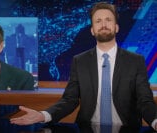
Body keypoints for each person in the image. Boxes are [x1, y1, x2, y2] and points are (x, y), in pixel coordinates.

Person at [10, 2, 157, 131]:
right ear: (92, 30)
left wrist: (156, 122)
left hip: (127, 129)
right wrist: (44, 115)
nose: (104, 24)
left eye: (108, 20)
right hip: (87, 128)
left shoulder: (135, 61)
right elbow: (69, 100)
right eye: (98, 21)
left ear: (116, 27)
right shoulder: (80, 61)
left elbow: (145, 101)